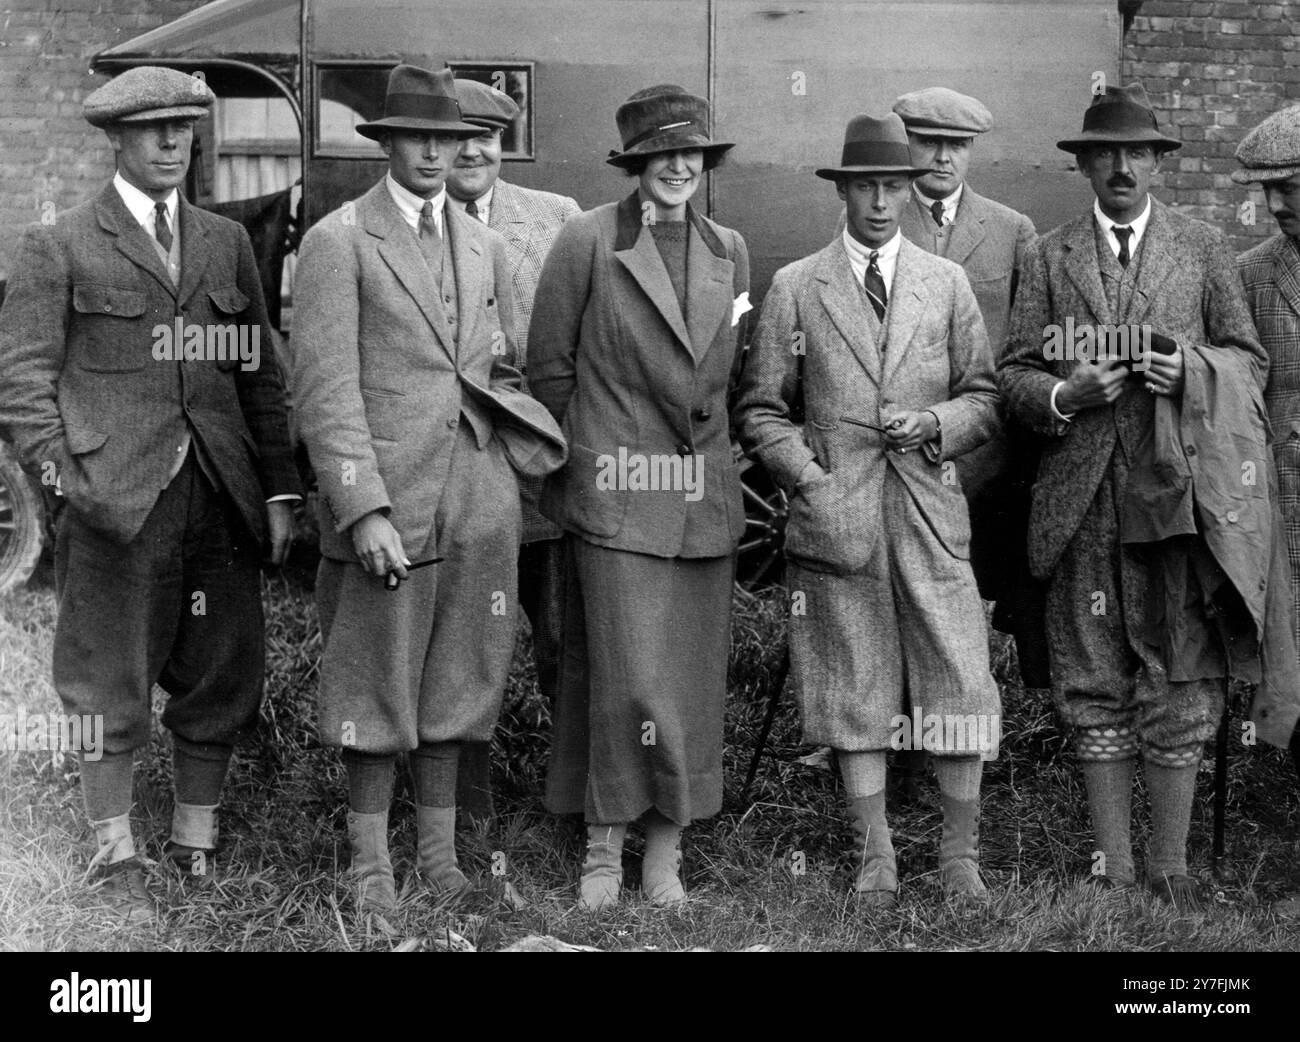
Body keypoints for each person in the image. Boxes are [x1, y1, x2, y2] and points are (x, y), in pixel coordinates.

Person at [0, 66, 301, 919]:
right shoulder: (60, 244)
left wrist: (279, 490)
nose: (174, 143)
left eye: (185, 128)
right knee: (105, 671)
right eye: (154, 129)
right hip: (116, 499)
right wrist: (69, 481)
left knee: (222, 665)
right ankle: (114, 848)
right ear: (117, 140)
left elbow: (260, 378)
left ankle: (194, 837)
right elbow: (22, 381)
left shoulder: (222, 240)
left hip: (218, 492)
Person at [291, 64, 565, 915]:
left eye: (449, 140)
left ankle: (440, 858)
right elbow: (324, 393)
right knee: (376, 681)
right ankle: (370, 865)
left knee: (461, 679)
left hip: (478, 500)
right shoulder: (340, 240)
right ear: (389, 145)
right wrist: (362, 507)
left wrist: (512, 445)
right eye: (419, 138)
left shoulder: (479, 241)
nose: (436, 153)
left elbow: (493, 361)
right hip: (389, 505)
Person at [999, 84, 1281, 909]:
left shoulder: (1202, 249)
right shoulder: (1049, 257)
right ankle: (1113, 869)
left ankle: (1171, 865)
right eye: (1106, 153)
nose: (1122, 166)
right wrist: (1063, 395)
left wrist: (1187, 371)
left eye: (1138, 153)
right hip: (1081, 500)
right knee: (1092, 676)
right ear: (1083, 164)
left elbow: (1250, 362)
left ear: (1157, 163)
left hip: (1178, 503)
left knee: (1181, 673)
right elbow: (1012, 373)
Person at [734, 112, 1001, 907]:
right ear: (844, 191)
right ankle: (875, 855)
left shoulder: (944, 283)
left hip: (928, 514)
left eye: (894, 186)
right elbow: (759, 408)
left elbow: (984, 396)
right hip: (838, 519)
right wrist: (807, 478)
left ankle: (959, 857)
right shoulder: (796, 286)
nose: (882, 202)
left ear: (910, 191)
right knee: (855, 685)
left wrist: (938, 425)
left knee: (958, 678)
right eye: (866, 187)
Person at [528, 84, 750, 910]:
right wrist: (584, 473)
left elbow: (727, 377)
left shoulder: (731, 246)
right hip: (617, 499)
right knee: (620, 674)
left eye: (691, 153)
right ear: (636, 163)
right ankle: (600, 847)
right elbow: (548, 371)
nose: (679, 167)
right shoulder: (587, 241)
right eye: (663, 154)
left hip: (701, 503)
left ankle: (667, 850)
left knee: (688, 679)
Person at [447, 77, 581, 823]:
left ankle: (571, 800)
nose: (472, 151)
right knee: (469, 641)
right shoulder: (412, 223)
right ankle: (468, 807)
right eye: (457, 135)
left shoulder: (557, 219)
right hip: (459, 473)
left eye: (488, 137)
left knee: (564, 638)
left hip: (544, 476)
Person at [892, 87, 1048, 690]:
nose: (942, 157)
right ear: (907, 143)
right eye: (928, 142)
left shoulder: (1011, 230)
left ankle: (962, 729)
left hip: (985, 454)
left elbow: (1031, 343)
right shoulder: (878, 217)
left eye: (956, 145)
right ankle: (882, 725)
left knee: (965, 596)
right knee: (891, 588)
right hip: (900, 444)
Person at [1232, 103, 1300, 917]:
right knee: (1292, 669)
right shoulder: (1253, 275)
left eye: (1289, 187)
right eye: (1269, 191)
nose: (1277, 204)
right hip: (1282, 511)